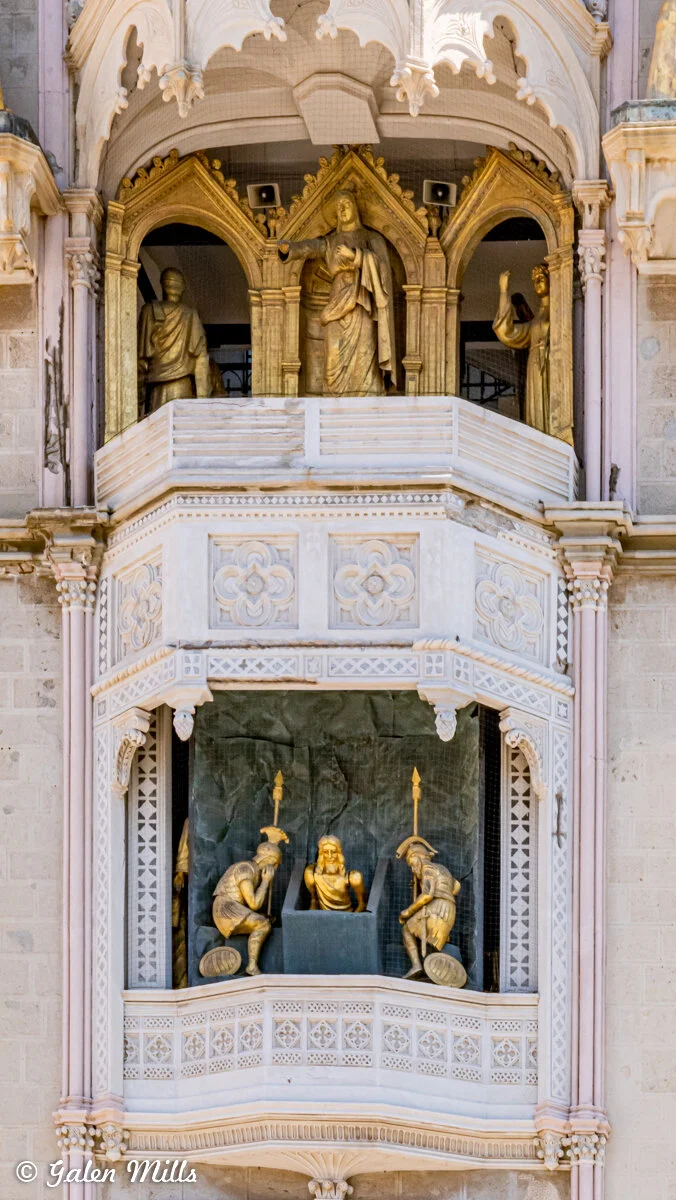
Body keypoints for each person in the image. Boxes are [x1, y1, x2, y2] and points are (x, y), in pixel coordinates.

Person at [278, 189, 396, 395]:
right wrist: (291, 249)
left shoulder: (372, 238)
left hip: (362, 302)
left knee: (365, 349)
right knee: (332, 351)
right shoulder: (331, 241)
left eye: (346, 204)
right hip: (338, 298)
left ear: (355, 209)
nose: (342, 209)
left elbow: (383, 270)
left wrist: (356, 256)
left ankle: (367, 395)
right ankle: (333, 397)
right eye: (338, 206)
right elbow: (312, 247)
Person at [210, 826, 288, 976]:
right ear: (268, 860)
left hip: (232, 906)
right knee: (262, 924)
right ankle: (252, 966)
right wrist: (266, 882)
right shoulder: (245, 869)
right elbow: (254, 904)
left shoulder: (254, 872)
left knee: (263, 921)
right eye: (275, 863)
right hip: (226, 908)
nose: (276, 868)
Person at [137, 267, 210, 414]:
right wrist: (203, 398)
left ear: (162, 284)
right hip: (183, 387)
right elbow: (201, 359)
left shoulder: (148, 311)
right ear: (182, 288)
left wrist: (138, 396)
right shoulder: (191, 315)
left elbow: (141, 359)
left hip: (156, 388)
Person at [396, 835, 461, 978]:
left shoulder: (427, 868)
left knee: (407, 929)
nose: (413, 869)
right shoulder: (442, 868)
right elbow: (456, 886)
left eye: (411, 864)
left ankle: (416, 966)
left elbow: (427, 895)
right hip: (449, 909)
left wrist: (408, 911)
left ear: (418, 857)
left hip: (437, 908)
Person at [304, 834, 366, 912]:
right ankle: (314, 900)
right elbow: (313, 868)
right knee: (308, 873)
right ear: (321, 854)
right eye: (326, 852)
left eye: (333, 852)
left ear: (338, 853)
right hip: (323, 914)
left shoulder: (348, 877)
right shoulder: (315, 874)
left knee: (356, 877)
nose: (330, 856)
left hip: (346, 914)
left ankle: (362, 904)